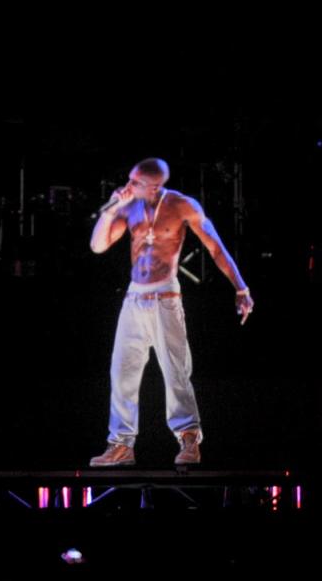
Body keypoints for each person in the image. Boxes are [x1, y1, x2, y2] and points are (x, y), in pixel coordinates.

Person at [88, 158, 253, 467]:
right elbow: (98, 246)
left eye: (136, 182)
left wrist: (241, 288)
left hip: (165, 296)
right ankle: (121, 445)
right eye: (129, 179)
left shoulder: (181, 205)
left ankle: (189, 438)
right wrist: (111, 207)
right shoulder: (129, 206)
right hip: (134, 297)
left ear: (155, 187)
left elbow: (215, 247)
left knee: (176, 371)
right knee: (122, 371)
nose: (128, 186)